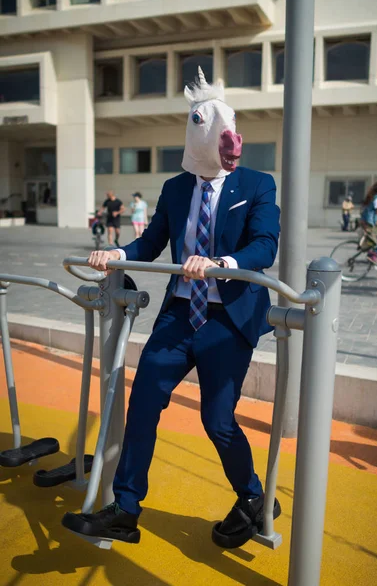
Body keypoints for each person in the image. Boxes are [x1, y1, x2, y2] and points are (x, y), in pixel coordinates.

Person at [62, 67, 281, 549]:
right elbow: (151, 241)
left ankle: (252, 496)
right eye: (221, 136)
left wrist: (222, 263)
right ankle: (125, 509)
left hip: (228, 319)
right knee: (143, 404)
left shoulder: (258, 184)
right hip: (181, 315)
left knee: (217, 421)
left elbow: (265, 245)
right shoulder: (177, 188)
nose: (232, 145)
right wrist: (116, 255)